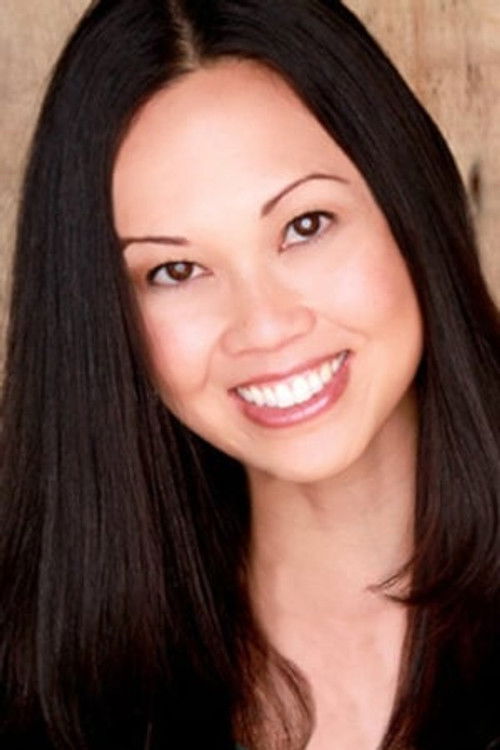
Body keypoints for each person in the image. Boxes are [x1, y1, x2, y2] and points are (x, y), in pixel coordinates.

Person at [0, 0, 499, 748]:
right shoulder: (48, 687)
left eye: (306, 226)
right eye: (175, 271)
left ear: (410, 208)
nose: (264, 325)